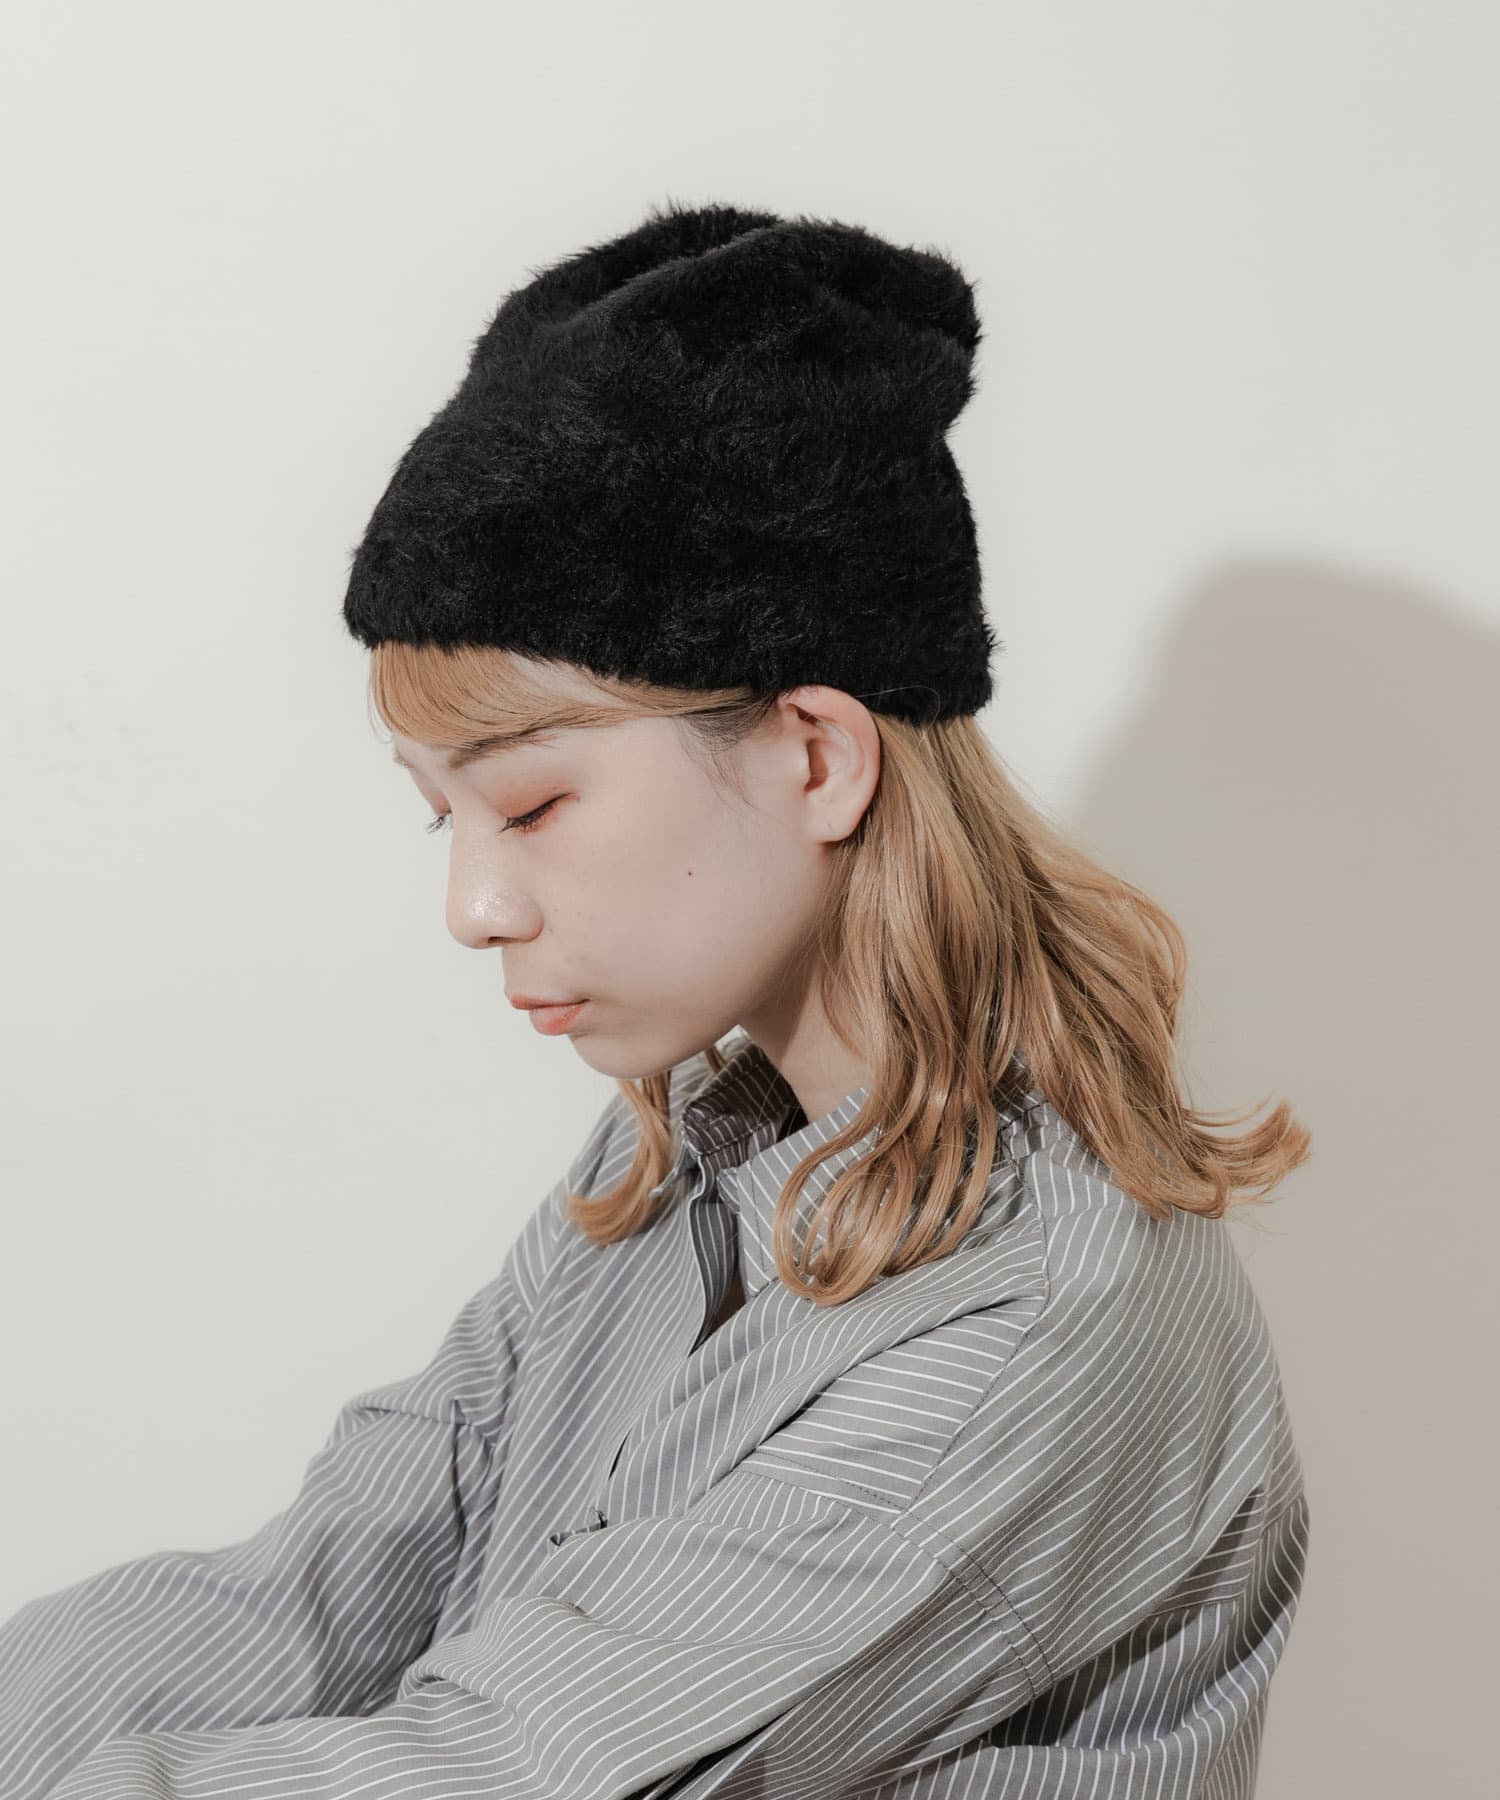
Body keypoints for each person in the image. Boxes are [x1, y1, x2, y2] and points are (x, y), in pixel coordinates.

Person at [0, 200, 1312, 1799]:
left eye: (530, 804)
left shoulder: (1041, 1319)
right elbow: (326, 1583)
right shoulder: (669, 1160)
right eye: (440, 817)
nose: (473, 908)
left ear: (816, 758)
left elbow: (510, 1770)